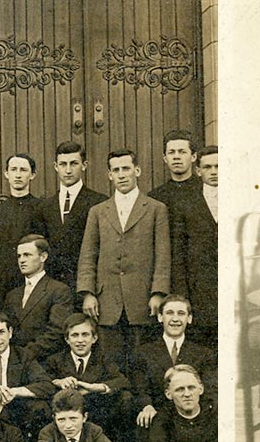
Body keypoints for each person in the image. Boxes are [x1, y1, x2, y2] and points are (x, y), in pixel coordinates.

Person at [76, 149, 171, 373]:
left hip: (142, 301)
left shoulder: (156, 209)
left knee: (141, 362)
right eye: (116, 170)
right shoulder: (98, 211)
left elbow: (163, 255)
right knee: (111, 364)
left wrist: (158, 293)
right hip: (107, 302)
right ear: (109, 175)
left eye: (126, 169)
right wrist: (88, 293)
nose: (121, 175)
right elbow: (88, 254)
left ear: (136, 171)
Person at [27, 142, 107, 289]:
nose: (68, 170)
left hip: (85, 285)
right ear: (56, 167)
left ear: (84, 165)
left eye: (74, 163)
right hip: (52, 287)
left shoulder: (99, 203)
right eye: (63, 164)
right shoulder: (44, 207)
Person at [131, 296, 217, 422]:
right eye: (169, 313)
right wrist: (147, 406)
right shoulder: (143, 352)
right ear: (160, 317)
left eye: (181, 313)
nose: (175, 319)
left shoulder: (204, 354)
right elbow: (140, 388)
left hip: (193, 419)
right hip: (157, 417)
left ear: (189, 318)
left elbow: (210, 392)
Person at [165, 145, 218, 351]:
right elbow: (178, 254)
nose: (213, 172)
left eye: (218, 167)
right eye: (208, 167)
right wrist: (182, 296)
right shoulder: (186, 204)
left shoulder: (238, 200)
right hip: (199, 293)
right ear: (198, 171)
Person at [39, 314, 129, 430]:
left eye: (85, 335)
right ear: (67, 339)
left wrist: (96, 387)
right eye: (75, 335)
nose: (80, 341)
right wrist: (59, 382)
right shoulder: (55, 360)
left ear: (94, 338)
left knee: (125, 397)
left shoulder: (103, 359)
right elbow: (43, 381)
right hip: (66, 417)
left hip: (97, 414)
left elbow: (122, 381)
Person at [0, 314, 53, 432]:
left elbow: (46, 385)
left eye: (1, 332)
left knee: (40, 408)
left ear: (10, 332)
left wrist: (14, 391)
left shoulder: (23, 355)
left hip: (18, 409)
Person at [2, 235, 72, 362]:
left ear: (43, 257)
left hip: (44, 362)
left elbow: (56, 332)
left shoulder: (59, 290)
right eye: (19, 256)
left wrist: (25, 354)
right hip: (14, 363)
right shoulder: (12, 295)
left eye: (27, 255)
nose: (22, 260)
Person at [0, 153, 41, 301]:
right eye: (13, 169)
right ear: (6, 174)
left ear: (32, 175)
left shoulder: (42, 209)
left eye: (23, 170)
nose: (18, 175)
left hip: (32, 281)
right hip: (1, 282)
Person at [147, 130, 200, 213]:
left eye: (182, 152)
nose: (176, 157)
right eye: (171, 152)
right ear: (165, 158)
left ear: (193, 156)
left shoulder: (205, 191)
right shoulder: (155, 196)